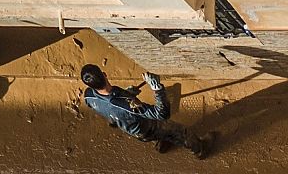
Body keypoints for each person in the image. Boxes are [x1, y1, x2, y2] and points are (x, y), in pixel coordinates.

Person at [79, 63, 212, 158]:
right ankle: (200, 150)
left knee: (156, 135)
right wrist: (157, 89)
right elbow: (162, 114)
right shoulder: (129, 104)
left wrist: (127, 94)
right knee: (182, 132)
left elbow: (108, 107)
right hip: (147, 126)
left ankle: (162, 143)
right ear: (104, 74)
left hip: (130, 128)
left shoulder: (88, 95)